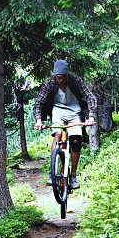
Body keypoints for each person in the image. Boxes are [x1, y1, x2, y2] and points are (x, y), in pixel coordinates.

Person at [34, 60, 96, 190]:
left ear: (67, 75)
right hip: (57, 110)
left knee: (75, 140)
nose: (60, 80)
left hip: (75, 111)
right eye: (58, 78)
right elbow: (39, 102)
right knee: (57, 134)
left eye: (62, 78)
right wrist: (38, 120)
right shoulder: (50, 82)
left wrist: (90, 117)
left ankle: (73, 175)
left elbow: (90, 97)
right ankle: (52, 171)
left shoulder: (76, 81)